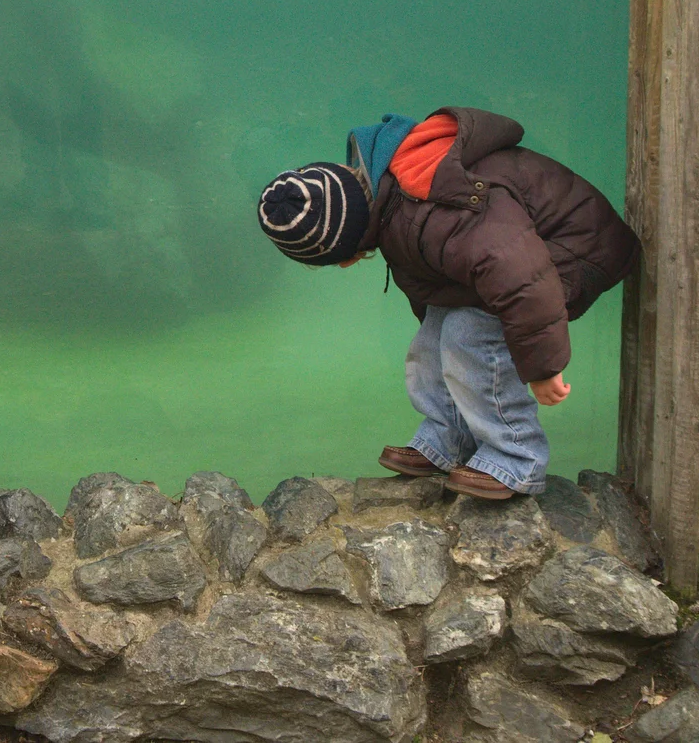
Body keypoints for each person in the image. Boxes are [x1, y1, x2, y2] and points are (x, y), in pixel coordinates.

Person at [256, 109, 639, 500]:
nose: (346, 264)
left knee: (469, 334)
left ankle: (516, 457)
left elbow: (519, 275)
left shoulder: (435, 207)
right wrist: (435, 335)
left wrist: (543, 366)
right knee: (435, 333)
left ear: (350, 245)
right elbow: (440, 290)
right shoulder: (393, 199)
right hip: (519, 253)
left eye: (341, 256)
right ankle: (448, 439)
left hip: (577, 246)